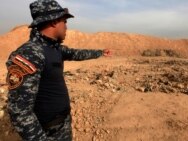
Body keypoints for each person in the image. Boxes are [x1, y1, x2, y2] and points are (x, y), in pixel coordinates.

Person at [5, 0, 111, 140]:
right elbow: (19, 111)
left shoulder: (54, 48)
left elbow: (76, 54)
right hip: (47, 132)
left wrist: (100, 52)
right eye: (64, 21)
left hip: (62, 126)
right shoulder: (29, 54)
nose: (66, 27)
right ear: (54, 22)